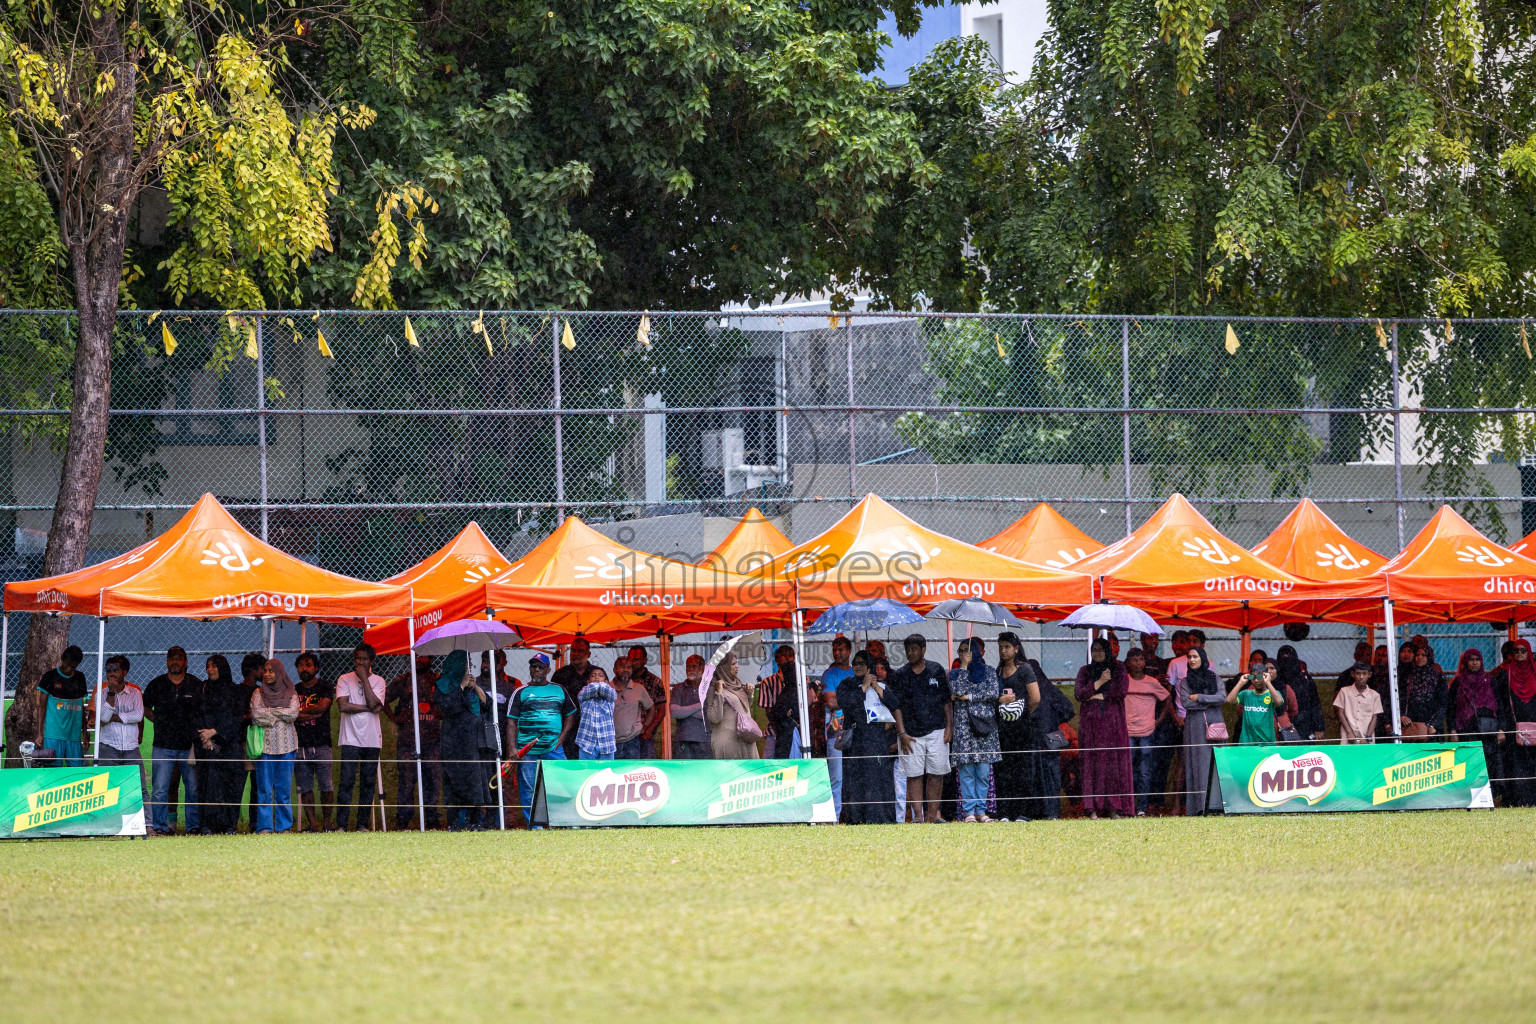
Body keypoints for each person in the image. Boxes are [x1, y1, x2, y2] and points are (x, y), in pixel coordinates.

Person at [889, 634, 952, 824]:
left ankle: (932, 817)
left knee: (936, 773)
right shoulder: (900, 675)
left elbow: (946, 702)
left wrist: (950, 727)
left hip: (937, 730)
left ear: (924, 649)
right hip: (910, 733)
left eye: (914, 649)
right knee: (913, 774)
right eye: (907, 649)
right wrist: (901, 734)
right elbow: (896, 706)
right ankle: (918, 817)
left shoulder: (936, 670)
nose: (910, 653)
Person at [142, 646, 204, 835]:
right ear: (167, 661)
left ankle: (194, 827)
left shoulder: (196, 684)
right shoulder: (156, 684)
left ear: (186, 661)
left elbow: (204, 710)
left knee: (193, 789)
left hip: (189, 746)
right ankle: (160, 827)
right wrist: (157, 719)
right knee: (160, 789)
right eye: (171, 658)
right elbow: (144, 706)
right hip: (163, 745)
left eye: (178, 658)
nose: (174, 662)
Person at [509, 653, 577, 826]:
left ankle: (565, 821)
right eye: (533, 666)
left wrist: (561, 738)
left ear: (548, 670)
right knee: (529, 789)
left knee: (563, 783)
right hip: (527, 750)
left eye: (540, 666)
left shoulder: (559, 689)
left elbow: (571, 714)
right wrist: (512, 749)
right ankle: (535, 825)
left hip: (554, 748)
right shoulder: (521, 692)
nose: (537, 669)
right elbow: (511, 721)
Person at [836, 650, 898, 824]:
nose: (858, 666)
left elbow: (894, 704)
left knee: (877, 779)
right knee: (855, 780)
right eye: (855, 663)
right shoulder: (847, 684)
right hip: (855, 740)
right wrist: (863, 687)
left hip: (876, 739)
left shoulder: (881, 685)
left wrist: (876, 688)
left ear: (869, 666)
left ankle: (879, 817)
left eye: (862, 663)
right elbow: (845, 702)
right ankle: (856, 818)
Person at [1074, 637, 1132, 819]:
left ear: (1108, 651)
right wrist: (1098, 683)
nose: (1097, 653)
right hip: (1091, 726)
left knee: (1112, 765)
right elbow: (1079, 694)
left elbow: (1121, 691)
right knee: (1092, 764)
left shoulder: (1118, 668)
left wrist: (1100, 696)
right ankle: (1092, 808)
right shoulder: (1085, 671)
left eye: (1101, 649)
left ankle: (1114, 808)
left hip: (1113, 725)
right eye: (1094, 650)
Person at [335, 643, 386, 832]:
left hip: (372, 739)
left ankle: (362, 825)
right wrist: (369, 708)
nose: (361, 662)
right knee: (346, 781)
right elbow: (343, 706)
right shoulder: (344, 679)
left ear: (372, 661)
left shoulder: (379, 681)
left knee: (367, 782)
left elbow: (377, 704)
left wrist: (365, 680)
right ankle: (341, 825)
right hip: (350, 739)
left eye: (365, 659)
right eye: (358, 658)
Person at [950, 637, 1001, 823]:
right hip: (964, 730)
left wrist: (969, 696)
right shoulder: (955, 673)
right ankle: (969, 812)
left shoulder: (989, 672)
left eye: (967, 650)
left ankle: (982, 811)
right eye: (961, 651)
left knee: (983, 772)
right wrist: (963, 667)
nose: (964, 654)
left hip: (984, 728)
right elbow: (957, 690)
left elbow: (993, 693)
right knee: (967, 773)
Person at [386, 654, 441, 831]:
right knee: (407, 782)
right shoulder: (403, 680)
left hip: (432, 741)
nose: (419, 659)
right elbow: (383, 699)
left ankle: (431, 820)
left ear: (432, 660)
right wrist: (395, 718)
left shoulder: (438, 680)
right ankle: (403, 821)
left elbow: (447, 704)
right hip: (408, 740)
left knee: (432, 781)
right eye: (417, 655)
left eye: (424, 656)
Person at [436, 651, 488, 830]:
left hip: (472, 741)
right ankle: (453, 823)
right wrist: (461, 685)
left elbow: (486, 706)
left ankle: (475, 822)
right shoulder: (443, 685)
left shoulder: (471, 687)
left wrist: (475, 687)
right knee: (454, 780)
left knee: (474, 780)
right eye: (466, 663)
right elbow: (447, 707)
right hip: (453, 742)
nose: (469, 667)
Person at [195, 655, 247, 835]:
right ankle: (207, 825)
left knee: (230, 784)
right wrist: (205, 737)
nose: (210, 669)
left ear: (222, 667)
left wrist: (215, 732)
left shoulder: (234, 691)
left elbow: (235, 718)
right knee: (207, 784)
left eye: (214, 666)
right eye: (208, 665)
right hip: (207, 747)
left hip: (229, 746)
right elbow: (196, 715)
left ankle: (229, 825)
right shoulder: (201, 689)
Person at [248, 658, 300, 833]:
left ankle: (284, 827)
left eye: (271, 671)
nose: (267, 674)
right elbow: (256, 715)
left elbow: (293, 713)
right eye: (265, 670)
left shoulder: (291, 692)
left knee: (283, 790)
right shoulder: (258, 693)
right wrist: (280, 713)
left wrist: (270, 712)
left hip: (287, 748)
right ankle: (264, 827)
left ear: (279, 672)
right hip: (265, 748)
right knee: (264, 790)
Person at [993, 631, 1040, 822]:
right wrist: (1000, 702)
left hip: (1022, 728)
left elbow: (1035, 698)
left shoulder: (1025, 669)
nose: (1003, 651)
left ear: (1016, 649)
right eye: (1001, 647)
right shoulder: (997, 672)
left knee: (1023, 769)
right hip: (1003, 728)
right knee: (1004, 769)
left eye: (1007, 647)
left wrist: (1020, 712)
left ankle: (1024, 812)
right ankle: (1005, 812)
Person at [1178, 646, 1225, 816]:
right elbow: (1186, 703)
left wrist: (1199, 697)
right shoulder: (1185, 681)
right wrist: (1209, 702)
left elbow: (1222, 698)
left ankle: (1218, 806)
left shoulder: (1215, 678)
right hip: (1195, 726)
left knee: (1217, 763)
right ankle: (1199, 807)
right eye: (1189, 657)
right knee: (1197, 765)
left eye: (1195, 656)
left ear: (1202, 658)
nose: (1192, 660)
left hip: (1215, 724)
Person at [292, 651, 337, 832]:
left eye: (308, 665)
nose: (304, 668)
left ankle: (327, 823)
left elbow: (323, 707)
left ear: (316, 668)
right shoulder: (294, 690)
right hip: (300, 744)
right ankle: (313, 825)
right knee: (305, 787)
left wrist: (300, 713)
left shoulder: (325, 686)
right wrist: (312, 713)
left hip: (322, 744)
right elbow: (292, 713)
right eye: (301, 665)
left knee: (326, 785)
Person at [1448, 649, 1502, 796]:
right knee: (1469, 763)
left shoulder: (1490, 680)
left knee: (1489, 763)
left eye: (1477, 659)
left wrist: (1501, 730)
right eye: (1471, 660)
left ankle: (1489, 796)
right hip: (1466, 730)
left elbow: (1500, 706)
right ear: (1465, 662)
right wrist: (1453, 730)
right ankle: (1470, 796)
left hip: (1488, 731)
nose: (1474, 663)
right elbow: (1451, 708)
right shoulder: (1458, 682)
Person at [1123, 648, 1169, 816]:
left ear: (1144, 662)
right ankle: (1128, 807)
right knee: (1128, 771)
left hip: (1147, 732)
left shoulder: (1152, 682)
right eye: (1134, 660)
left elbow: (1167, 699)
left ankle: (1142, 807)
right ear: (1128, 663)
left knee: (1144, 771)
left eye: (1141, 659)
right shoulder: (1123, 682)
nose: (1138, 663)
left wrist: (1158, 721)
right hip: (1127, 732)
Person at [1494, 638, 1536, 807]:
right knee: (1514, 763)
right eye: (1516, 651)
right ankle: (1516, 800)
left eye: (1523, 650)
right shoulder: (1505, 673)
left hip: (1534, 723)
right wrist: (1503, 726)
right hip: (1513, 725)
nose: (1519, 653)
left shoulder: (1535, 672)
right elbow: (1501, 701)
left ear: (1529, 653)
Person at [95, 655, 144, 793]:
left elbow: (138, 715)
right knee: (107, 787)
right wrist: (111, 692)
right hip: (108, 746)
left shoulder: (134, 693)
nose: (111, 673)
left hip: (131, 748)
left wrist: (116, 717)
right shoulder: (102, 693)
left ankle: (144, 815)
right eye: (108, 670)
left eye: (115, 669)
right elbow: (104, 718)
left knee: (138, 788)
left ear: (125, 672)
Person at [35, 644, 89, 767]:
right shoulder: (50, 677)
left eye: (73, 666)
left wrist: (85, 732)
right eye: (68, 664)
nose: (69, 669)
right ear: (62, 658)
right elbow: (41, 707)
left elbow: (81, 706)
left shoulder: (80, 678)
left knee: (77, 772)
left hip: (74, 735)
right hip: (53, 735)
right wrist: (39, 733)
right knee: (52, 771)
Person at [820, 635, 854, 819]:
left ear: (849, 651)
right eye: (834, 650)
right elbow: (831, 702)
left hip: (856, 729)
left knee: (855, 774)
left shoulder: (855, 671)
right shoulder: (829, 674)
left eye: (841, 649)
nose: (837, 653)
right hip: (836, 731)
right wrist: (855, 699)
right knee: (837, 777)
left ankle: (854, 815)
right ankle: (834, 817)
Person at [704, 652, 761, 759]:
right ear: (724, 667)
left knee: (751, 774)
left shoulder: (737, 683)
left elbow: (743, 710)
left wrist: (749, 694)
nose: (737, 666)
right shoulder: (714, 686)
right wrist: (719, 692)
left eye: (737, 663)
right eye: (733, 664)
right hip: (729, 742)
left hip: (746, 738)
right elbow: (714, 718)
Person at [551, 637, 595, 760]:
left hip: (590, 728)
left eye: (580, 651)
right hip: (567, 729)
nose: (576, 654)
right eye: (573, 650)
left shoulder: (596, 673)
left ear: (588, 654)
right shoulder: (560, 674)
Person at [1228, 659, 1283, 745]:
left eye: (1259, 677)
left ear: (1265, 677)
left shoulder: (1271, 694)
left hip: (1266, 744)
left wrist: (1268, 682)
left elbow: (1279, 702)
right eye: (1252, 677)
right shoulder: (1246, 694)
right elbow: (1230, 700)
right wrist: (1240, 682)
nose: (1256, 680)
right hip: (1246, 743)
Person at [626, 647, 668, 758]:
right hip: (625, 734)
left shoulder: (655, 681)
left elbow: (661, 710)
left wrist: (649, 730)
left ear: (645, 660)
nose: (632, 663)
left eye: (636, 659)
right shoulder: (623, 680)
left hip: (644, 734)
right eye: (630, 659)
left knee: (646, 766)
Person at [1275, 645, 1323, 740]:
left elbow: (1315, 704)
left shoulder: (1305, 680)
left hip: (1305, 725)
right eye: (1283, 656)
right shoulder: (1276, 680)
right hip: (1282, 725)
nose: (1286, 659)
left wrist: (1318, 727)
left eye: (1289, 656)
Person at [1402, 645, 1448, 739]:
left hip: (1431, 727)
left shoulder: (1438, 677)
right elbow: (1402, 699)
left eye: (1423, 655)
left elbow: (1443, 704)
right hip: (1412, 725)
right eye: (1417, 655)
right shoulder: (1409, 677)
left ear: (1429, 657)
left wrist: (1433, 724)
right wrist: (1403, 716)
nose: (1419, 657)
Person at [611, 660, 655, 759]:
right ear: (614, 670)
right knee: (612, 772)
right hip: (610, 741)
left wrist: (645, 726)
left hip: (632, 741)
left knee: (631, 771)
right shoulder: (607, 688)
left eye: (629, 667)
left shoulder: (639, 688)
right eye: (622, 666)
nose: (626, 670)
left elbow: (651, 708)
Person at [670, 655, 711, 759]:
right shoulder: (678, 688)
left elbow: (709, 714)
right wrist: (699, 706)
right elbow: (674, 712)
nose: (691, 669)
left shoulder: (709, 688)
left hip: (705, 741)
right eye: (688, 666)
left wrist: (684, 711)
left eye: (694, 666)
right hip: (683, 741)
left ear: (702, 669)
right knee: (682, 773)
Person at [1334, 661, 1383, 743]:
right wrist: (1349, 732)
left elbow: (1374, 717)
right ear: (1353, 674)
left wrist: (1368, 736)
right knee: (1347, 755)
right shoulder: (1344, 692)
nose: (1361, 677)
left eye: (1364, 673)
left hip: (1366, 737)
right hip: (1348, 736)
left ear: (1369, 675)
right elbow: (1340, 713)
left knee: (1367, 755)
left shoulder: (1375, 695)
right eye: (1358, 673)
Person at [576, 667, 618, 760]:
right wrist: (598, 684)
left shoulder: (610, 696)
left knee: (606, 772)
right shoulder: (584, 694)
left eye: (600, 675)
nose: (597, 678)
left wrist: (601, 685)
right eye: (593, 676)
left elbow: (611, 693)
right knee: (587, 772)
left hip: (607, 743)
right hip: (586, 743)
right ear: (588, 681)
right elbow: (588, 690)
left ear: (606, 681)